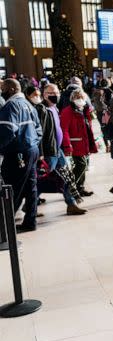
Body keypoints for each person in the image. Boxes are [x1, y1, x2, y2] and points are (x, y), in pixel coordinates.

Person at [0, 79, 42, 232]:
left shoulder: (11, 106)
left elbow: (7, 132)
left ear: (11, 89)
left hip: (17, 153)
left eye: (3, 89)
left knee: (12, 189)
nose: (1, 92)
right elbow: (38, 130)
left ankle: (5, 228)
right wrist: (32, 144)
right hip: (31, 150)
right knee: (31, 187)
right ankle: (30, 221)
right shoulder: (28, 105)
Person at [40, 83, 86, 214]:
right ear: (44, 94)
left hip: (57, 149)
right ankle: (30, 203)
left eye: (57, 93)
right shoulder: (42, 109)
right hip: (49, 151)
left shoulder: (55, 108)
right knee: (42, 178)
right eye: (51, 93)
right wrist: (41, 153)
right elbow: (41, 133)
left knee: (68, 176)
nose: (55, 95)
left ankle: (71, 204)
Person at [60, 88, 98, 198]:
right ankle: (72, 187)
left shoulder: (85, 110)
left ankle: (80, 188)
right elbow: (64, 129)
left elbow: (88, 126)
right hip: (75, 143)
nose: (80, 100)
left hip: (84, 142)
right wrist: (67, 145)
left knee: (84, 165)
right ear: (72, 99)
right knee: (82, 164)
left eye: (82, 97)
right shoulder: (67, 111)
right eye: (77, 97)